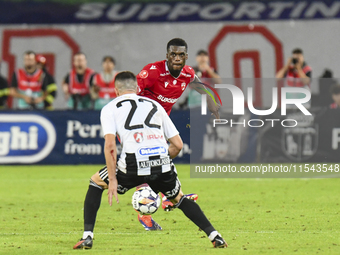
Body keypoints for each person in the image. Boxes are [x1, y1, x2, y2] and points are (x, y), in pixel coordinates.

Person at [73, 71, 227, 249]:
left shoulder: (110, 108)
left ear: (116, 91)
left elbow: (110, 146)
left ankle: (87, 237)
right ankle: (215, 236)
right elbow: (177, 145)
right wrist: (159, 161)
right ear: (137, 88)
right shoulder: (155, 105)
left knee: (95, 183)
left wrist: (114, 180)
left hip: (131, 164)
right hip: (161, 160)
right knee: (179, 198)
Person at [136, 38, 220, 230]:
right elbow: (130, 94)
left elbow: (203, 90)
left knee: (175, 148)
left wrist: (215, 110)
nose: (176, 58)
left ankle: (166, 196)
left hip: (161, 121)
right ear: (167, 55)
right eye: (173, 54)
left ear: (186, 57)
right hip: (140, 123)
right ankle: (152, 208)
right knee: (149, 164)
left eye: (181, 55)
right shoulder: (152, 72)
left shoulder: (188, 73)